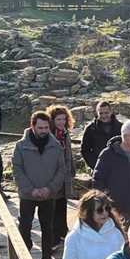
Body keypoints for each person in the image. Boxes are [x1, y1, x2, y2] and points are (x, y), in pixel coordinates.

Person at [10, 110, 70, 259]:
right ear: (32, 126)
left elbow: (61, 169)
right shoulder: (20, 146)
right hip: (27, 196)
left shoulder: (56, 146)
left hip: (48, 195)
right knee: (25, 227)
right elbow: (17, 170)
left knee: (48, 229)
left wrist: (50, 188)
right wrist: (31, 189)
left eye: (46, 128)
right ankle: (23, 258)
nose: (44, 131)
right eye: (40, 128)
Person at [92, 120, 130, 224]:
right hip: (113, 209)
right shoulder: (108, 154)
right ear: (125, 137)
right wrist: (105, 203)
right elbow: (98, 180)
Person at [45, 103, 78, 244]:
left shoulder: (65, 133)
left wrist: (72, 171)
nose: (61, 122)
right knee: (53, 204)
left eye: (64, 119)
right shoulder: (49, 135)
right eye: (58, 119)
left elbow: (68, 153)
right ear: (52, 120)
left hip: (64, 172)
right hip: (52, 174)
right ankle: (54, 235)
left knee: (62, 202)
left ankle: (63, 230)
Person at [81, 99, 122, 171]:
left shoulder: (120, 128)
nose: (104, 116)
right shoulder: (91, 129)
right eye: (101, 113)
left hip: (118, 167)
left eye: (106, 113)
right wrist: (94, 165)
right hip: (98, 167)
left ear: (111, 112)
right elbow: (85, 150)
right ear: (97, 113)